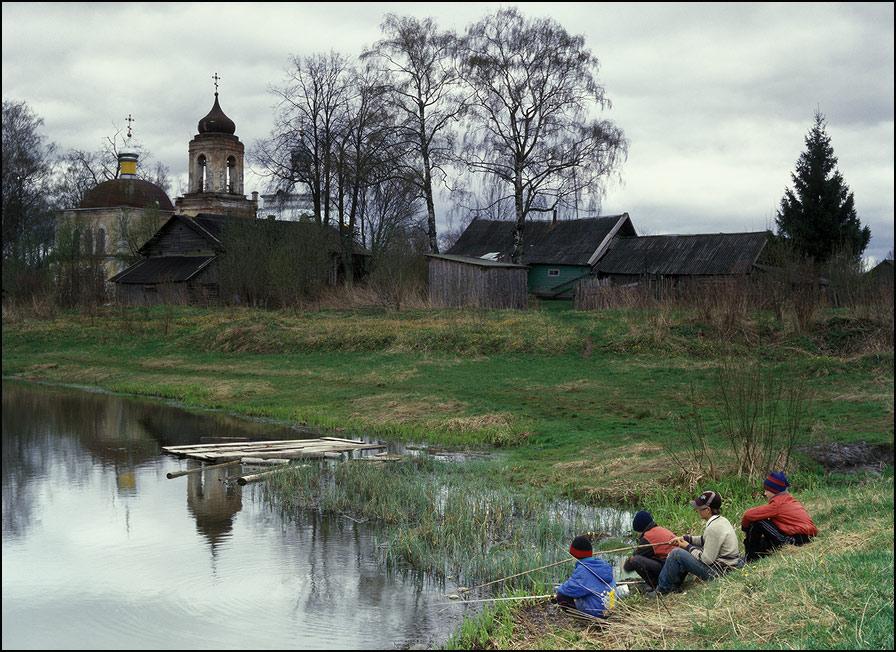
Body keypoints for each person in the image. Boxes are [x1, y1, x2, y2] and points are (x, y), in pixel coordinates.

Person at [648, 490, 744, 596]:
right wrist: (685, 538)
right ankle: (673, 585)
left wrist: (688, 547)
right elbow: (704, 540)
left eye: (699, 508)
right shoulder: (721, 520)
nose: (697, 510)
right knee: (684, 551)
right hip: (728, 566)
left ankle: (662, 589)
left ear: (707, 510)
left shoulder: (713, 528)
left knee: (676, 553)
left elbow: (706, 560)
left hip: (720, 572)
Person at [741, 471, 817, 562]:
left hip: (795, 539)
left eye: (766, 490)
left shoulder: (778, 504)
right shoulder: (789, 500)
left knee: (758, 522)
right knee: (764, 542)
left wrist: (745, 528)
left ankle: (750, 558)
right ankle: (755, 554)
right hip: (806, 537)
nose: (765, 494)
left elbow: (748, 515)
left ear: (774, 491)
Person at [553, 534, 616, 618]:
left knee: (561, 596)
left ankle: (581, 618)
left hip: (598, 614)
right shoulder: (603, 565)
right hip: (610, 609)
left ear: (575, 555)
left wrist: (558, 589)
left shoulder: (583, 570)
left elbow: (567, 590)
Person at [622, 510, 676, 589]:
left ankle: (659, 587)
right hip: (676, 570)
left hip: (670, 571)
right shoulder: (660, 529)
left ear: (641, 528)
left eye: (637, 532)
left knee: (634, 560)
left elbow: (629, 565)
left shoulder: (648, 537)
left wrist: (626, 563)